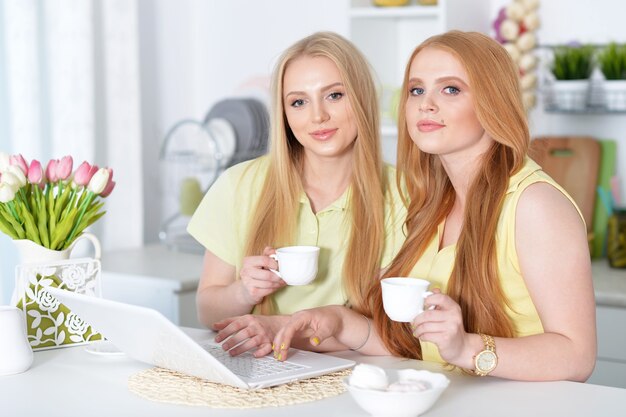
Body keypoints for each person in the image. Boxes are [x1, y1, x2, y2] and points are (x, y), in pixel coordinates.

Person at [270, 31, 596, 382]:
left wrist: (466, 348)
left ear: (493, 101)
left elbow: (577, 357)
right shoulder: (432, 204)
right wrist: (338, 321)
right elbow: (420, 344)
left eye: (451, 89)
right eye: (416, 90)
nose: (426, 104)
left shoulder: (535, 205)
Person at [187, 31, 406, 356]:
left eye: (334, 95)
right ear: (285, 115)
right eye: (299, 102)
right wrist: (243, 292)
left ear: (361, 97)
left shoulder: (403, 195)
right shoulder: (238, 185)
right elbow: (207, 312)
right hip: (262, 368)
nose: (318, 116)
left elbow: (400, 337)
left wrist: (280, 329)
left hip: (356, 375)